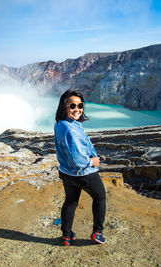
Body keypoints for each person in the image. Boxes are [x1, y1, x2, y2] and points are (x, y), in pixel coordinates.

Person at [54, 90, 106, 246]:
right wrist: (92, 162)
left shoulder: (60, 123)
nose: (77, 109)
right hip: (83, 173)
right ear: (64, 107)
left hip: (66, 172)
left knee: (70, 201)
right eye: (72, 105)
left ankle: (66, 236)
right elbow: (77, 159)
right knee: (100, 198)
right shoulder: (70, 129)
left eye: (80, 105)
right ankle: (97, 232)